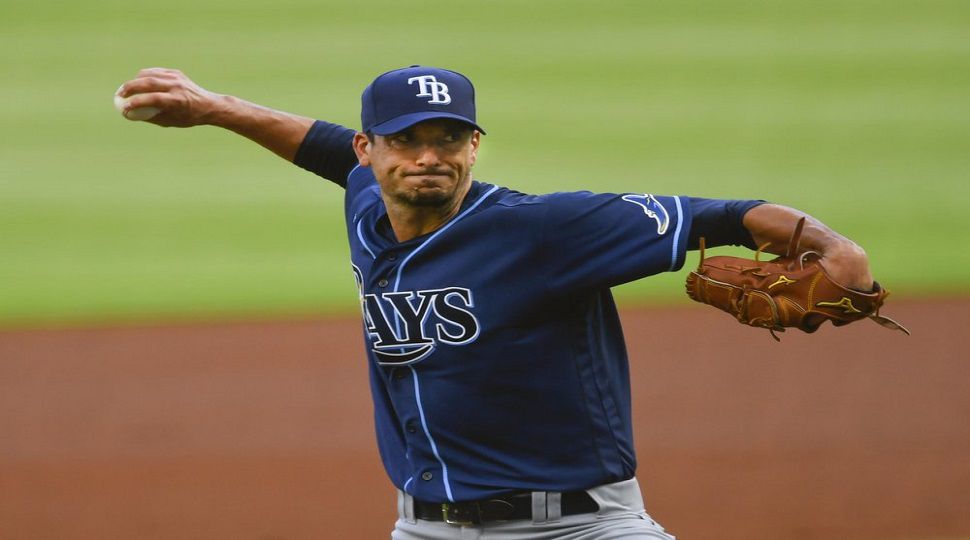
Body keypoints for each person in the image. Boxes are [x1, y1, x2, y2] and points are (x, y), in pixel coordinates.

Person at [116, 66, 874, 539]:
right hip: (428, 530)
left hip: (582, 527)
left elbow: (719, 213)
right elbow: (317, 143)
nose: (428, 157)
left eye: (449, 138)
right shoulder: (364, 201)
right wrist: (216, 107)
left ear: (475, 145)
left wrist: (837, 249)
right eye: (406, 140)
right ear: (368, 152)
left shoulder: (544, 228)